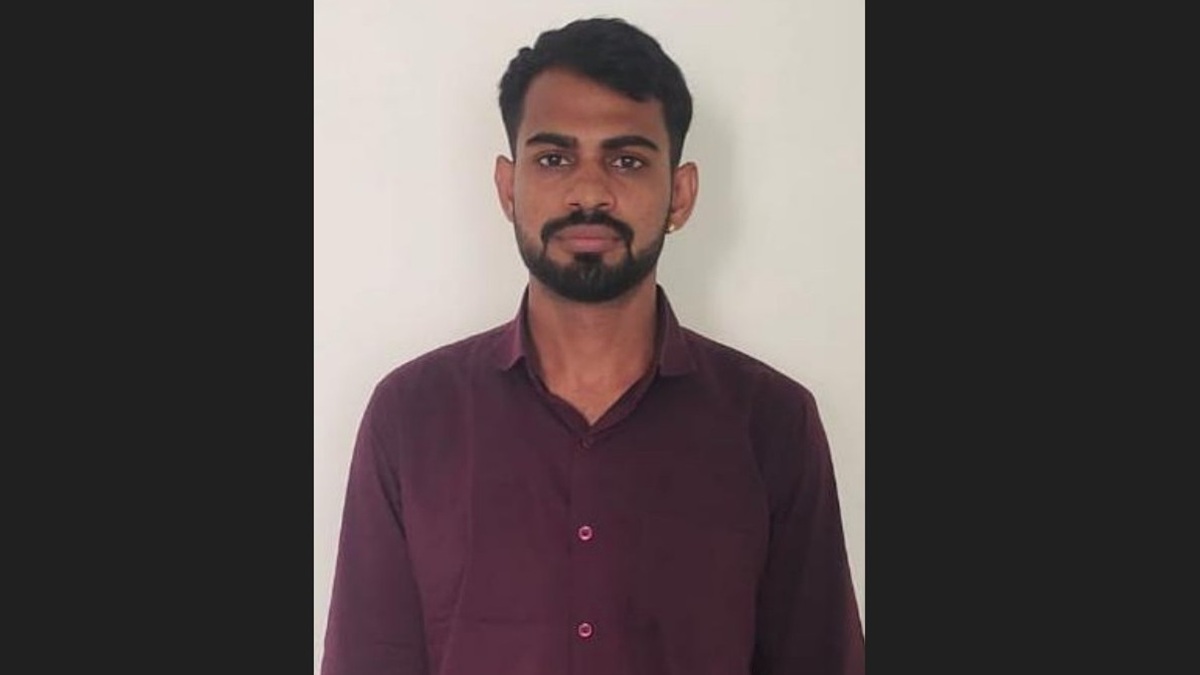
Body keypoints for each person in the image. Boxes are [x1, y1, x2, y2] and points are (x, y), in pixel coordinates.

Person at [321, 17, 864, 675]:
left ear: (680, 194)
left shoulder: (772, 423)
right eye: (554, 159)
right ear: (508, 187)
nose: (588, 192)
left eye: (626, 160)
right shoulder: (411, 417)